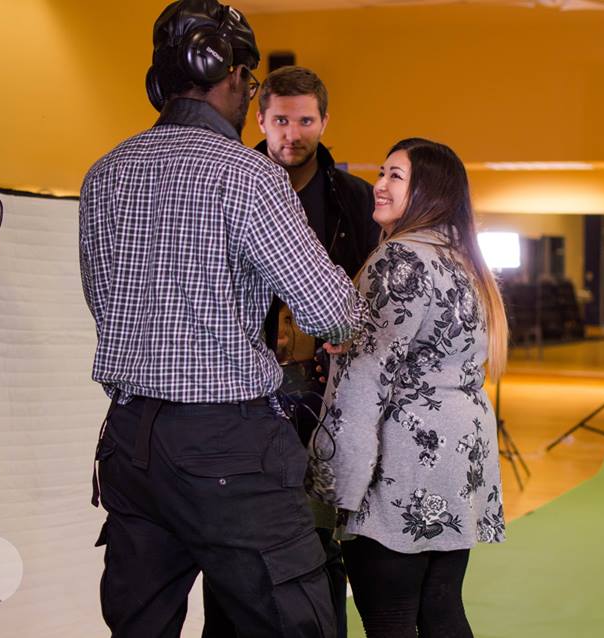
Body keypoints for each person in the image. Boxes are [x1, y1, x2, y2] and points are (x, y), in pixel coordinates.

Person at [79, 1, 366, 636]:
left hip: (130, 442)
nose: (249, 94)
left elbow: (102, 301)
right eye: (250, 79)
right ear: (230, 74)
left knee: (139, 626)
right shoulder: (248, 175)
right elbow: (329, 310)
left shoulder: (105, 173)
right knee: (299, 622)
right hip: (227, 446)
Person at [202, 65, 378, 638]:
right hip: (234, 386)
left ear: (325, 122)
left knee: (315, 538)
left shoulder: (353, 200)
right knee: (233, 537)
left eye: (306, 120)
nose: (292, 134)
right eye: (281, 120)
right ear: (260, 119)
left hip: (322, 389)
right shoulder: (225, 182)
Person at [307, 138, 508, 638]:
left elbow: (362, 381)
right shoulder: (464, 260)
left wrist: (332, 486)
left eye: (395, 176)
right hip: (460, 453)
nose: (378, 185)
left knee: (390, 617)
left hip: (403, 460)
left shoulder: (398, 259)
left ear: (428, 192)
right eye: (382, 172)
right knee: (441, 609)